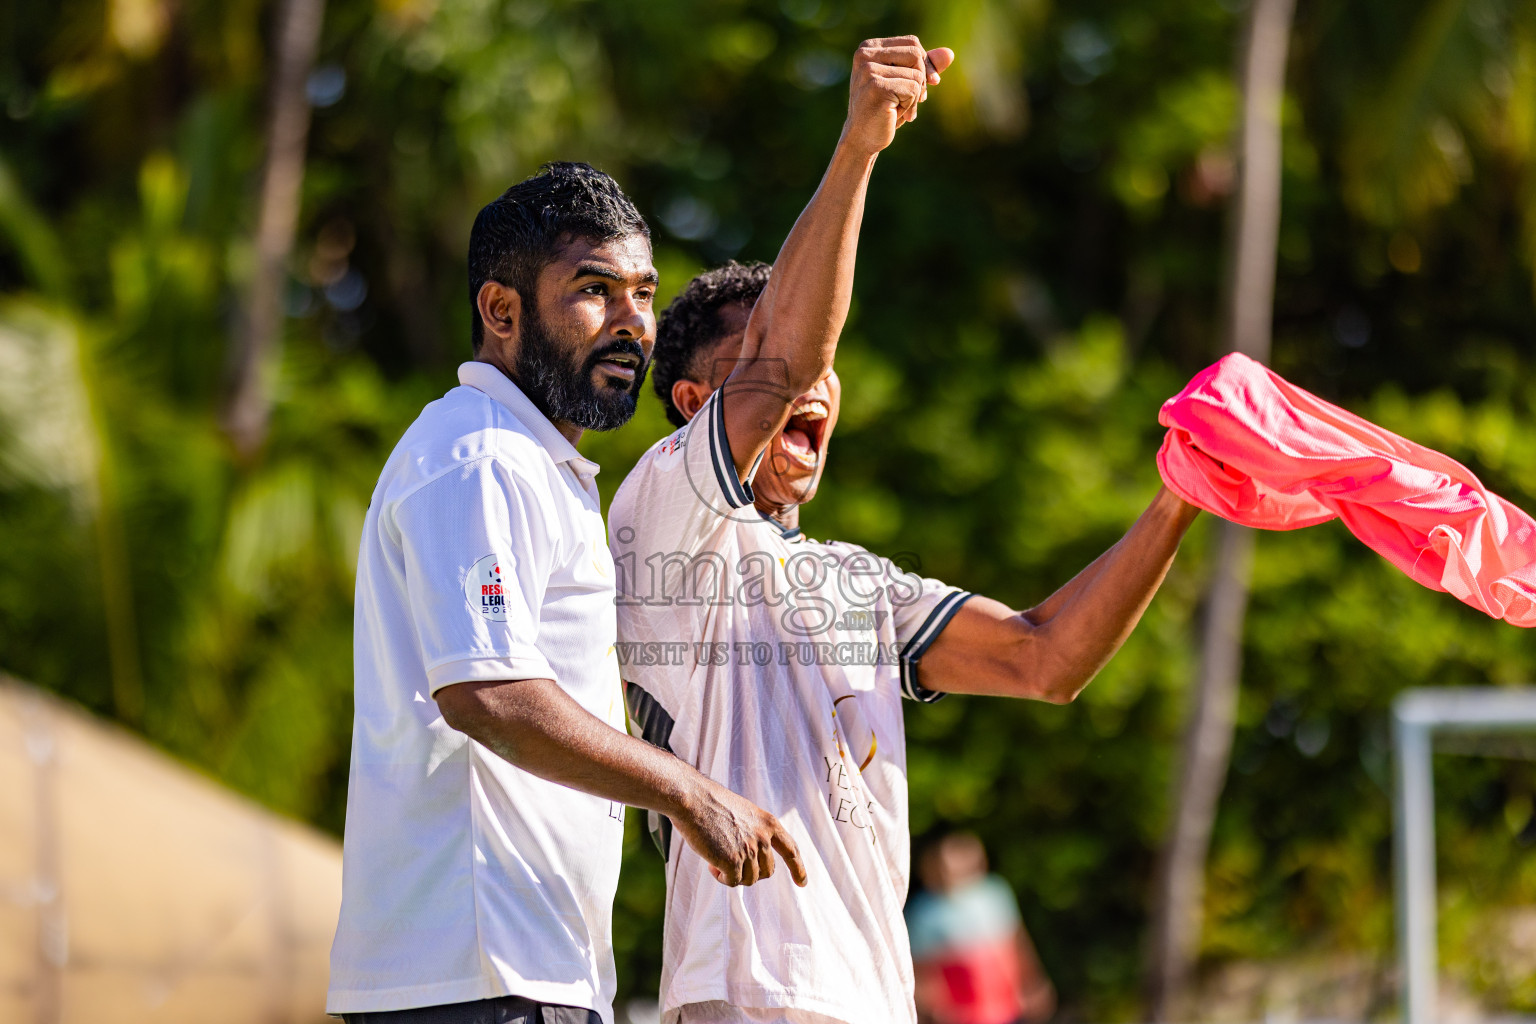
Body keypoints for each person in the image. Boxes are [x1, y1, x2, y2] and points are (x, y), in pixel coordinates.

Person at [607, 34, 1202, 1024]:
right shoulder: (662, 518)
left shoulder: (851, 585)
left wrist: (1181, 495)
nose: (816, 380)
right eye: (754, 349)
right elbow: (787, 362)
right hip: (745, 1000)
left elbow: (1045, 659)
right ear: (691, 398)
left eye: (828, 365)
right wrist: (858, 148)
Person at [328, 163, 805, 1024]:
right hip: (477, 976)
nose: (632, 324)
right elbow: (489, 693)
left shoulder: (534, 464)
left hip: (522, 970)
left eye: (643, 295)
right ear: (502, 312)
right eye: (594, 291)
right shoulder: (481, 456)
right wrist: (691, 792)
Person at [907, 832, 1056, 1024]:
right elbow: (921, 966)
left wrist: (1033, 982)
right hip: (962, 1013)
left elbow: (1016, 941)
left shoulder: (994, 892)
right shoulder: (923, 911)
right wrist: (933, 1007)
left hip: (1006, 1004)